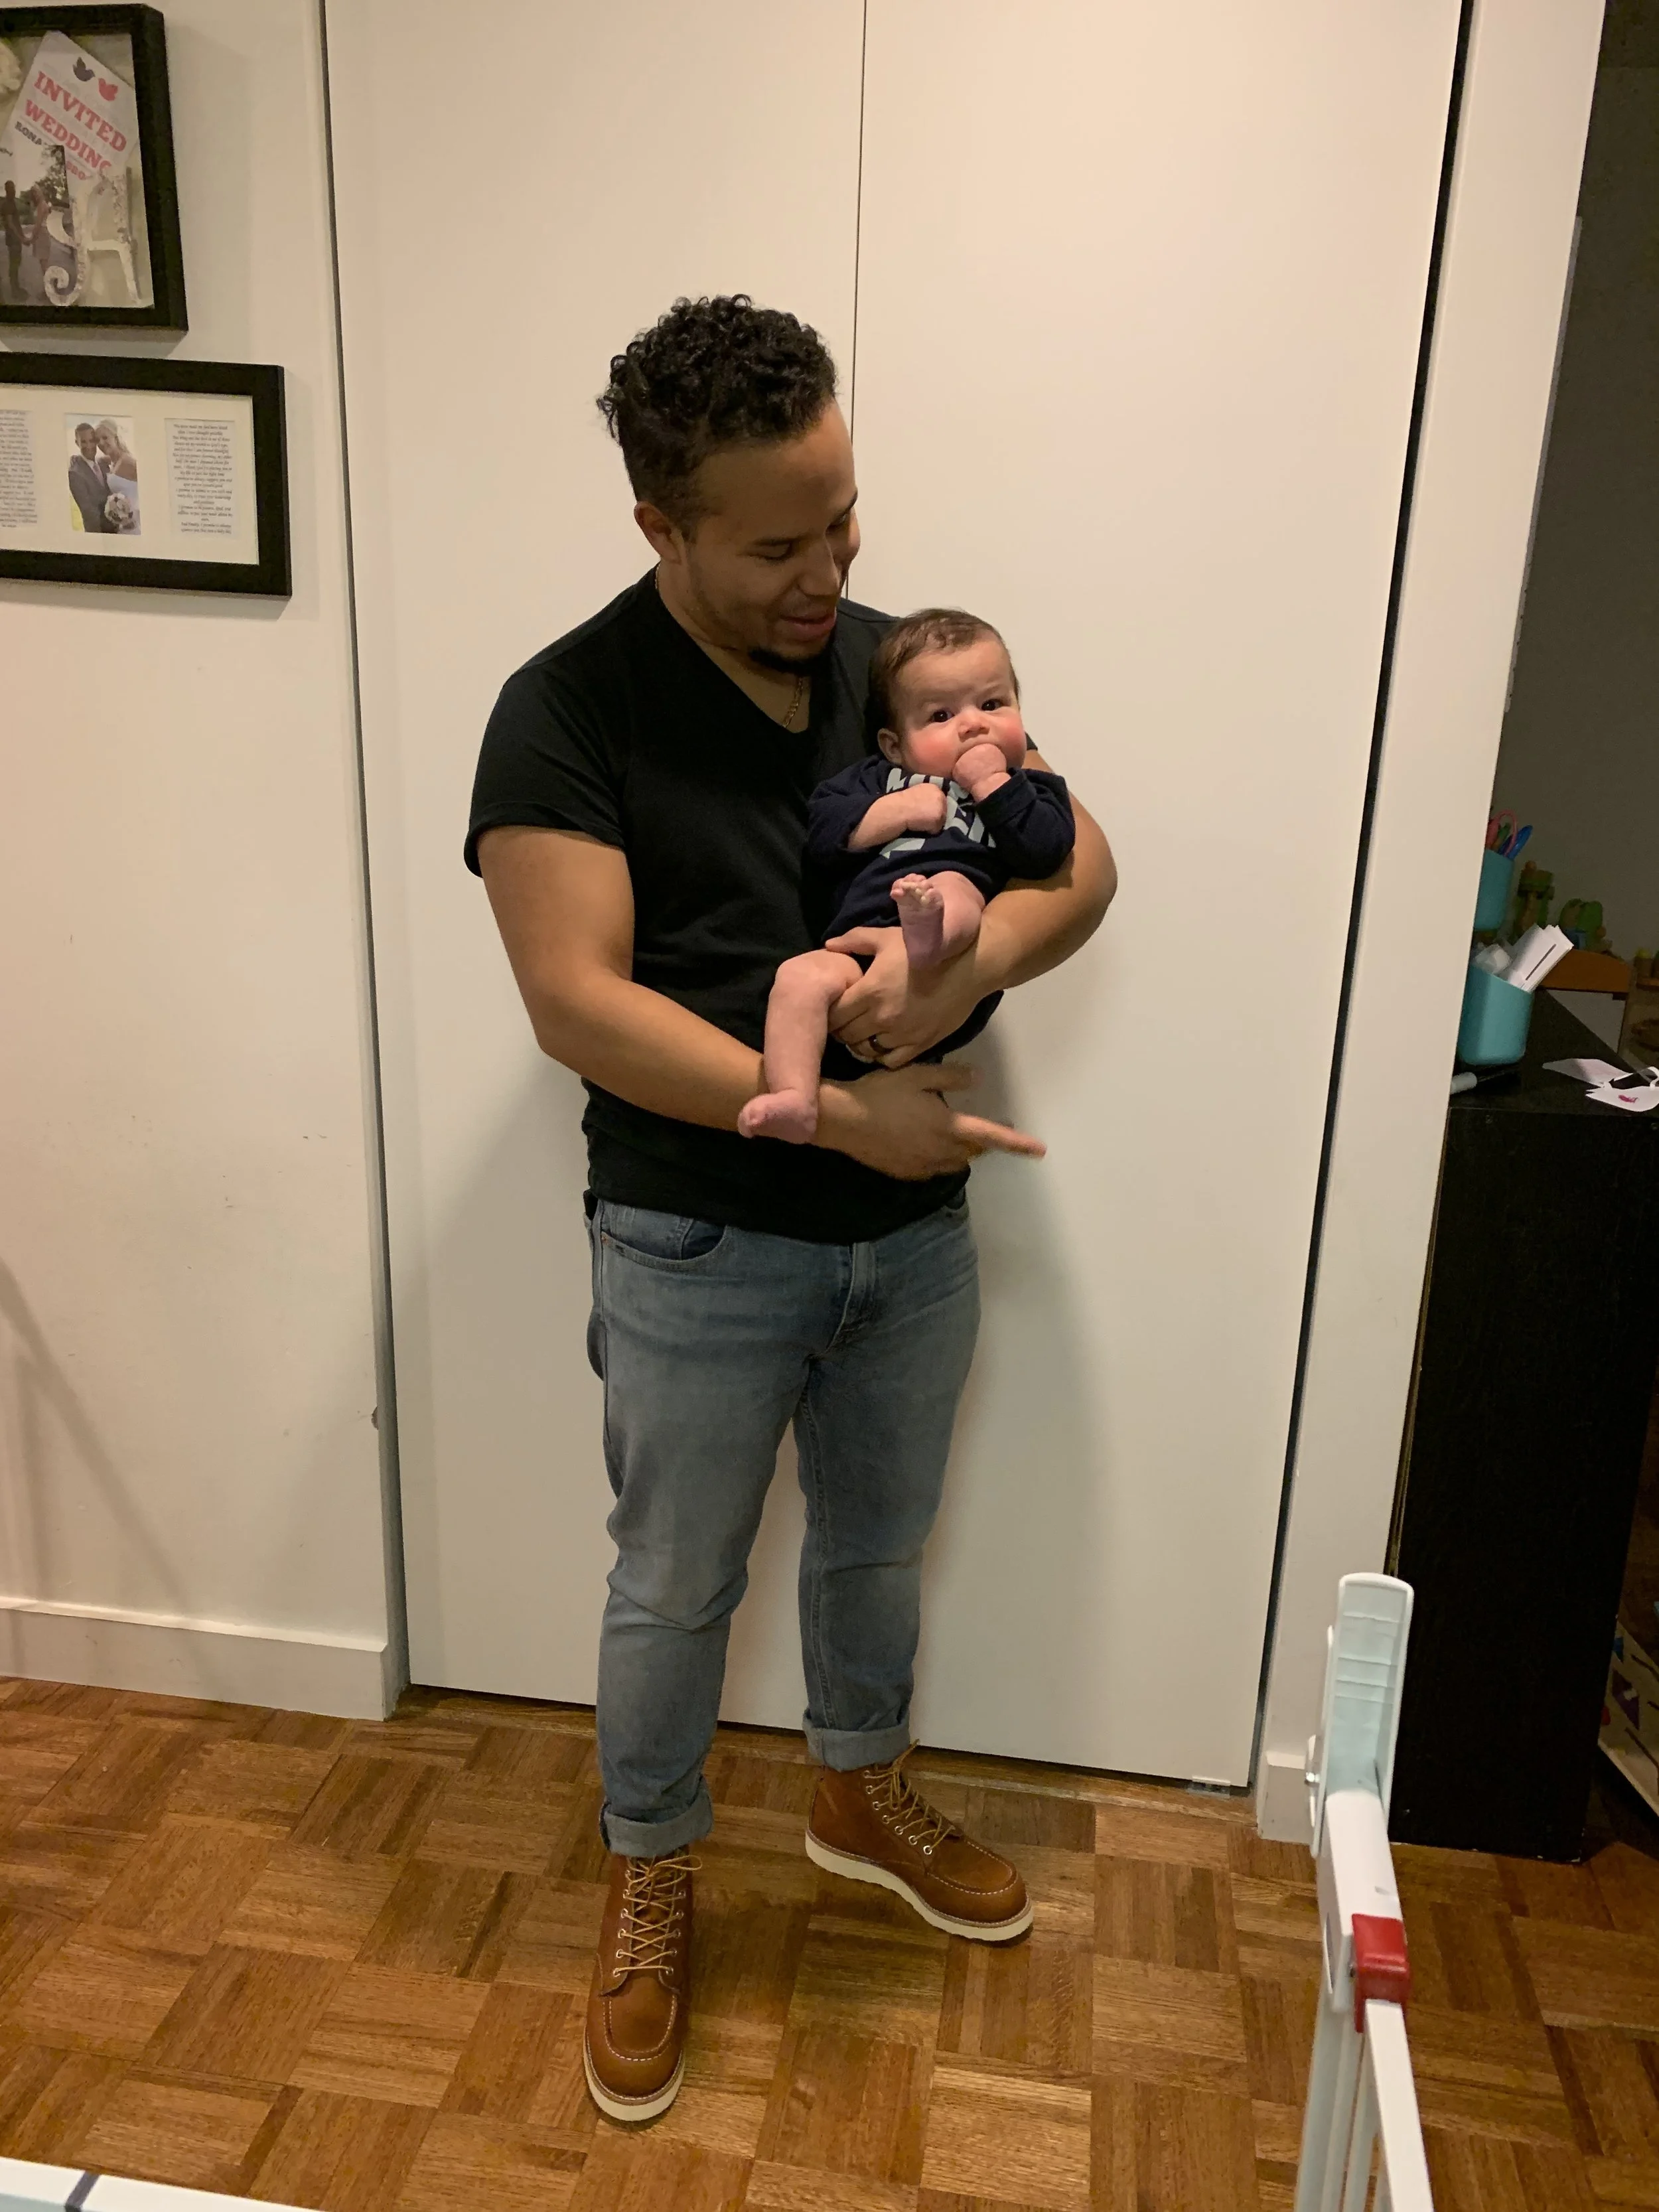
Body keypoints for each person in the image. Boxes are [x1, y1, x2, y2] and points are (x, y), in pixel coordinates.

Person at [467, 295, 1116, 2124]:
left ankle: (855, 1788)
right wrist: (842, 1120)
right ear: (659, 525)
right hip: (695, 1239)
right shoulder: (564, 710)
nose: (827, 575)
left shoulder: (897, 661)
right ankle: (650, 1864)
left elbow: (1079, 862)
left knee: (877, 1544)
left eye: (841, 519)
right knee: (675, 1583)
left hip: (912, 1237)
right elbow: (575, 1003)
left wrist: (962, 956)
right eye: (774, 547)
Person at [740, 607, 1074, 1142]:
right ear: (895, 745)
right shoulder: (876, 780)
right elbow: (824, 835)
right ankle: (794, 1097)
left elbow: (1046, 851)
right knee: (798, 979)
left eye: (993, 704)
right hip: (857, 945)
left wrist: (994, 786)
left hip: (948, 961)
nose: (973, 723)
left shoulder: (1030, 789)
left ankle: (927, 932)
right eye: (941, 715)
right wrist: (891, 812)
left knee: (953, 889)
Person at [94, 420, 139, 532]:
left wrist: (136, 515)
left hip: (135, 524)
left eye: (105, 438)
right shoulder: (112, 461)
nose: (101, 443)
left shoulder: (128, 461)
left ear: (116, 437)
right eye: (98, 440)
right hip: (124, 524)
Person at [68, 421, 110, 534]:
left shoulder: (103, 464)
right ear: (77, 443)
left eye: (92, 441)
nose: (88, 446)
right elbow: (89, 514)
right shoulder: (75, 474)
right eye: (83, 442)